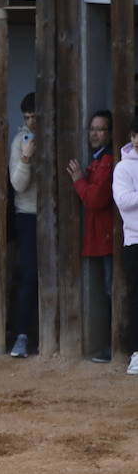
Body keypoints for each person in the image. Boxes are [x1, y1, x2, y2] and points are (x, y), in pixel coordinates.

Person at [67, 110, 116, 362]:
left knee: (113, 291)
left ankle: (117, 345)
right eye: (92, 128)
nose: (95, 134)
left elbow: (96, 199)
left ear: (109, 133)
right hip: (101, 236)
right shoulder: (98, 159)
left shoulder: (108, 161)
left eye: (101, 129)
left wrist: (78, 181)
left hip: (108, 237)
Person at [7, 93, 40, 358]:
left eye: (34, 116)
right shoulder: (21, 140)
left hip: (57, 215)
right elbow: (18, 184)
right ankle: (22, 335)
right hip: (27, 214)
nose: (31, 122)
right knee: (28, 276)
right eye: (27, 117)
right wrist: (27, 157)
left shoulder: (59, 136)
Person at [110, 112, 138, 375]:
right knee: (135, 298)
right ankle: (136, 353)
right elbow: (125, 201)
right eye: (136, 134)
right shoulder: (123, 168)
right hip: (135, 241)